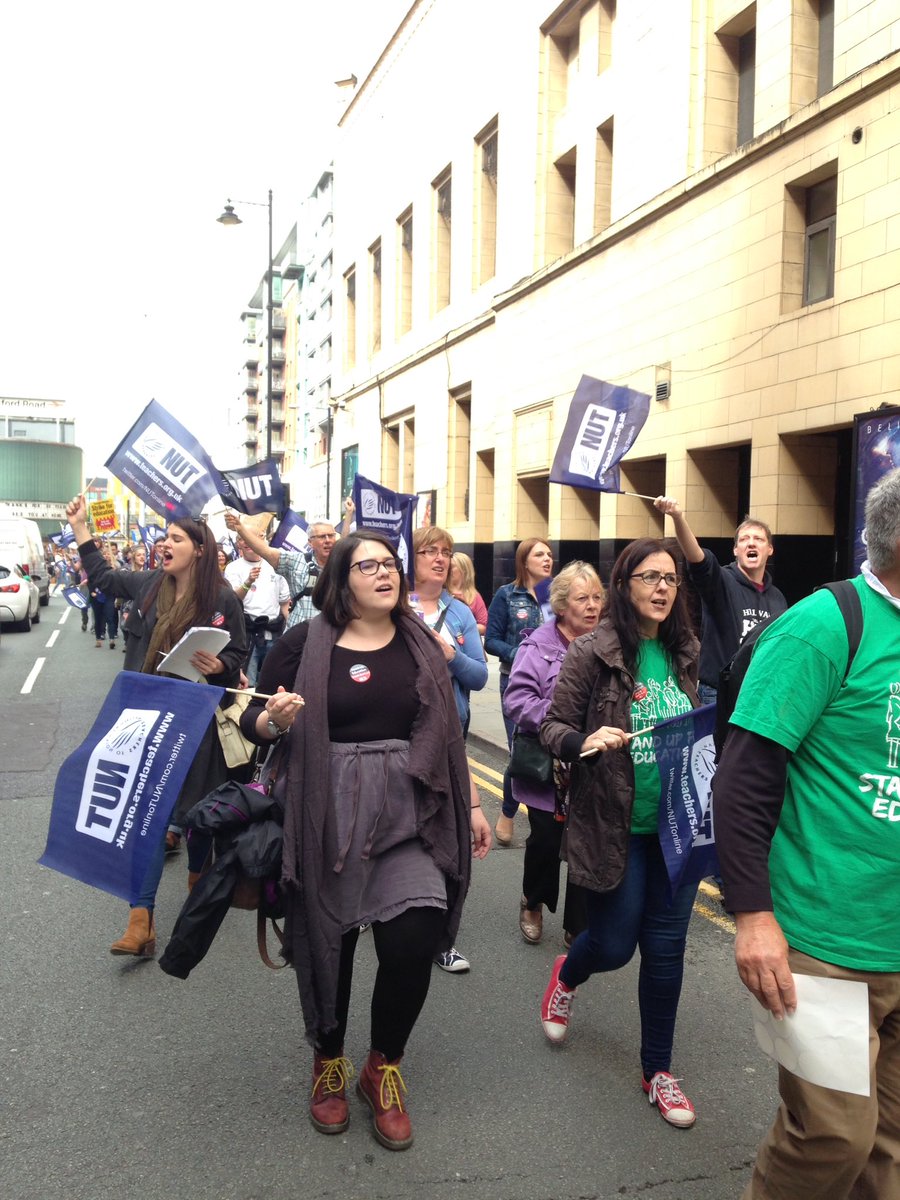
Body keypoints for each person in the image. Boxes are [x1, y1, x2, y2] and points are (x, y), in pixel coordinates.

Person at [239, 528, 491, 1151]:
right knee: (334, 947)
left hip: (410, 815)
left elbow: (448, 732)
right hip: (327, 815)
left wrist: (477, 804)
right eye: (368, 565)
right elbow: (250, 718)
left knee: (414, 940)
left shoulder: (421, 644)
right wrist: (275, 719)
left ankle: (383, 1067)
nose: (385, 574)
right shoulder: (305, 643)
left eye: (390, 564)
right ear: (342, 579)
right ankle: (329, 1060)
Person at [714, 467, 900, 1198]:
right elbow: (744, 777)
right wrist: (754, 915)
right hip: (824, 940)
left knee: (887, 1151)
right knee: (831, 1135)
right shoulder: (826, 623)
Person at [538, 538, 702, 1129]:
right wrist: (582, 741)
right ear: (624, 585)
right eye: (650, 576)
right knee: (613, 946)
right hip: (615, 824)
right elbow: (551, 724)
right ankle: (568, 974)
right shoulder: (590, 652)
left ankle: (658, 1070)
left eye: (671, 578)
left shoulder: (686, 650)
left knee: (664, 952)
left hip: (675, 828)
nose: (663, 588)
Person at [65, 494, 247, 957]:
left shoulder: (220, 597)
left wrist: (217, 664)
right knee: (147, 815)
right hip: (146, 716)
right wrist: (82, 528)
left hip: (197, 719)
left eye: (176, 538)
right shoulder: (148, 585)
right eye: (165, 537)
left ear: (199, 549)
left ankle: (198, 876)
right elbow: (104, 578)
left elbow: (237, 656)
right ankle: (140, 919)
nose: (166, 544)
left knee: (200, 814)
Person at [502, 562, 603, 946]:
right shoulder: (538, 645)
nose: (592, 606)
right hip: (549, 768)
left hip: (594, 766)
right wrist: (562, 719)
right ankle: (533, 900)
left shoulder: (608, 644)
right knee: (546, 841)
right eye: (582, 598)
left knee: (584, 843)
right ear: (562, 605)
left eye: (597, 598)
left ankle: (577, 924)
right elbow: (517, 700)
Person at [412, 525, 489, 973]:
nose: (440, 559)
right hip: (402, 741)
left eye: (446, 552)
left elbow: (478, 676)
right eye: (429, 551)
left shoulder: (458, 614)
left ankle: (442, 940)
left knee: (450, 839)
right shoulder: (394, 608)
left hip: (449, 741)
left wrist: (450, 656)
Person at [653, 497, 787, 704]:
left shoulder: (777, 598)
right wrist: (677, 518)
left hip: (759, 693)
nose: (751, 542)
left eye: (759, 539)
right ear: (735, 551)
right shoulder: (722, 581)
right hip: (718, 693)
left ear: (770, 549)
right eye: (744, 539)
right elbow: (696, 556)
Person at [485, 537, 553, 844]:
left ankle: (548, 812)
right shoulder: (506, 595)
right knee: (522, 750)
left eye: (550, 554)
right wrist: (525, 653)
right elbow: (492, 640)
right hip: (516, 681)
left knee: (551, 747)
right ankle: (509, 812)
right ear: (524, 561)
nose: (547, 559)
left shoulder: (557, 595)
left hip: (554, 683)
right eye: (540, 554)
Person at [225, 511, 337, 627]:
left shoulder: (345, 565)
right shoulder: (296, 561)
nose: (328, 540)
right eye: (322, 536)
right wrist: (240, 528)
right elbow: (266, 551)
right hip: (299, 638)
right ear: (310, 542)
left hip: (331, 635)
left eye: (331, 535)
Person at [224, 534, 290, 686]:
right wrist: (248, 582)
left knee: (274, 683)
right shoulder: (233, 568)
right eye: (241, 539)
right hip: (248, 635)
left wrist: (288, 629)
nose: (247, 542)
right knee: (248, 683)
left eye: (251, 537)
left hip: (274, 633)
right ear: (238, 544)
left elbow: (284, 602)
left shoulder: (274, 566)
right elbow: (233, 600)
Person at [448, 551, 488, 635]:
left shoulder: (474, 596)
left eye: (452, 567)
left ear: (464, 570)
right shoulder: (441, 592)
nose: (448, 569)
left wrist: (462, 629)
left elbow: (483, 626)